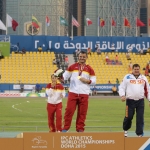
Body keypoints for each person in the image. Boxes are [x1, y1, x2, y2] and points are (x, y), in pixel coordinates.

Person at [62, 51, 96, 132]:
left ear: (86, 57)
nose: (82, 58)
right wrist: (59, 77)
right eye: (80, 56)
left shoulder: (89, 69)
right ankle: (66, 128)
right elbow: (65, 77)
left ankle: (80, 128)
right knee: (69, 111)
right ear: (78, 56)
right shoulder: (72, 67)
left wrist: (87, 80)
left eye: (84, 57)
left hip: (84, 93)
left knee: (82, 113)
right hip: (73, 92)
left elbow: (94, 81)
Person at [119, 64, 150, 137]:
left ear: (139, 69)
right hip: (130, 101)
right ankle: (125, 129)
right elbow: (122, 87)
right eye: (135, 69)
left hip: (140, 101)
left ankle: (139, 134)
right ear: (132, 69)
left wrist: (149, 99)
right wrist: (122, 95)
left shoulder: (143, 78)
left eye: (137, 69)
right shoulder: (127, 77)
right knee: (128, 116)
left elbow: (147, 90)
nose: (136, 71)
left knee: (140, 118)